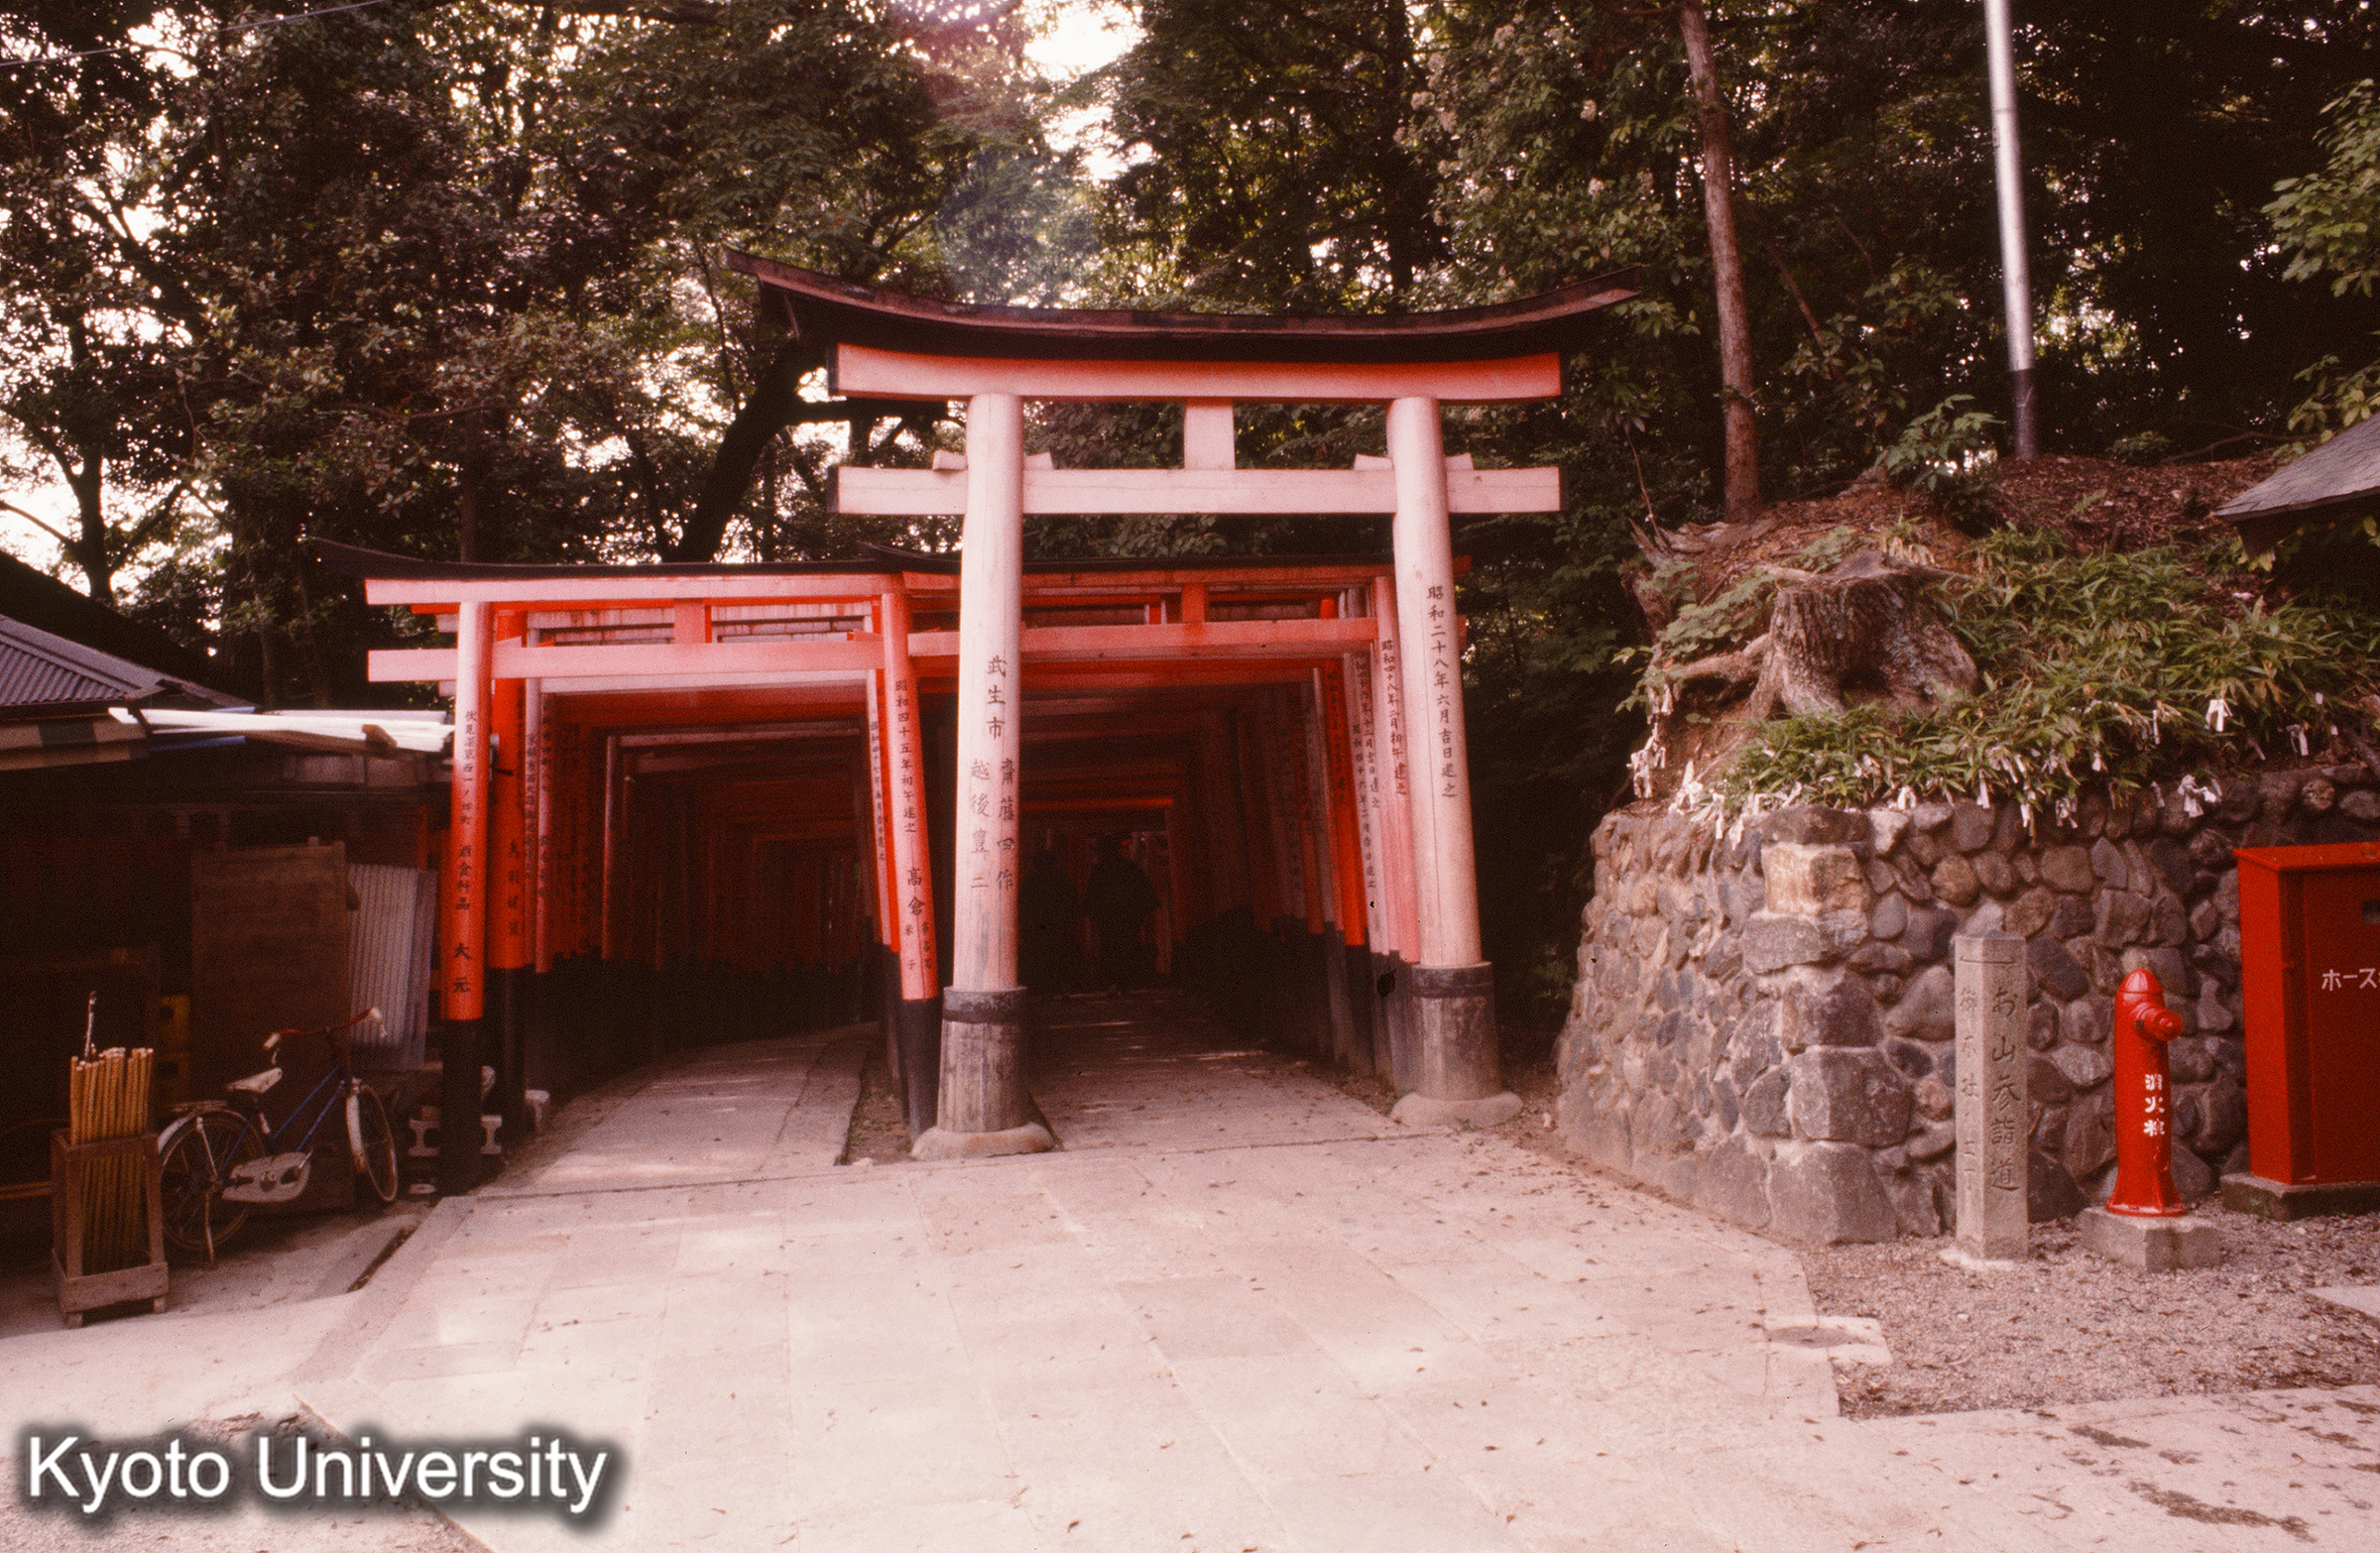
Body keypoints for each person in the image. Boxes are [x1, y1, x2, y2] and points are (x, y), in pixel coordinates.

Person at [1083, 835, 1160, 989]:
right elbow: (1149, 899)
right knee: (1128, 954)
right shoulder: (1130, 869)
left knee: (1111, 954)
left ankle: (1112, 983)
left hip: (1109, 926)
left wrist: (1097, 919)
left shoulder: (1099, 873)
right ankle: (1128, 983)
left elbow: (1089, 904)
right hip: (1128, 925)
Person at [1019, 845, 1081, 993]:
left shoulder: (1042, 880)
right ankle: (1048, 987)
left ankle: (1052, 986)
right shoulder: (1052, 880)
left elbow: (1071, 902)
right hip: (1047, 926)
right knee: (1047, 957)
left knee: (1052, 957)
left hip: (1051, 926)